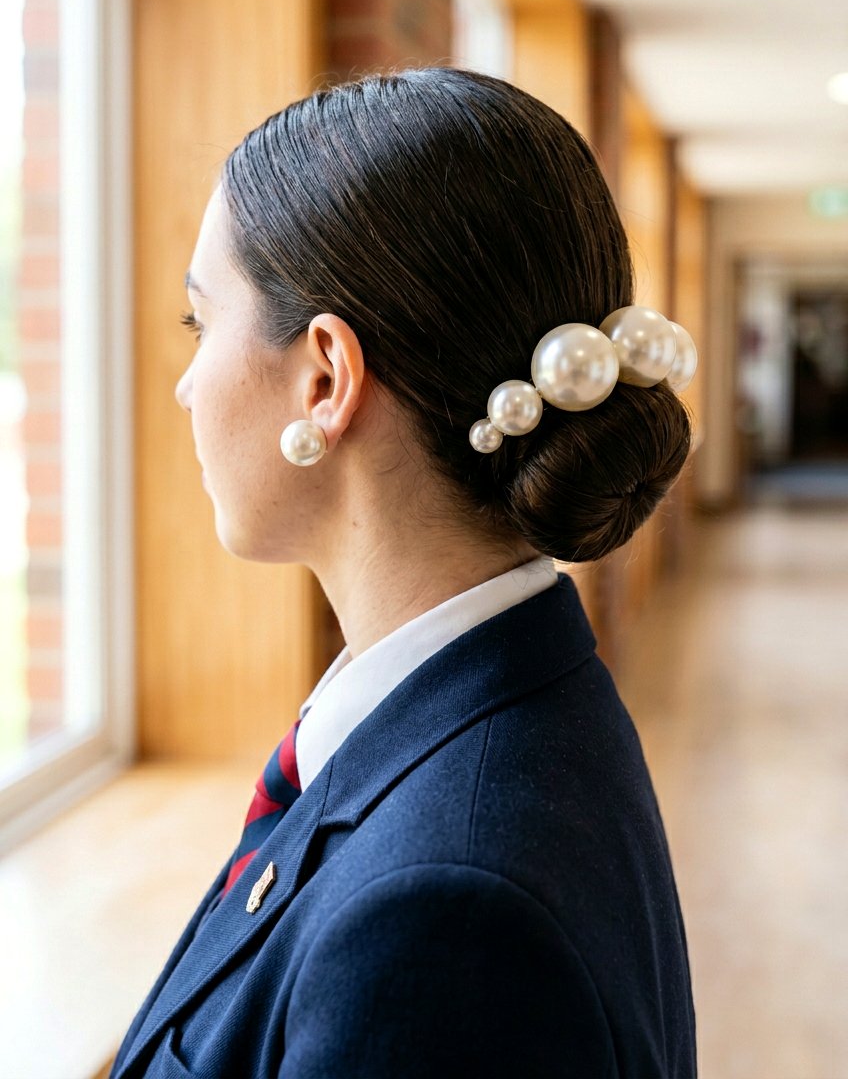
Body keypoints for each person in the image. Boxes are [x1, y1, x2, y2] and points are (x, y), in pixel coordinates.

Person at [110, 66, 698, 1077]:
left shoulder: (440, 919)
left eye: (200, 323)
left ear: (325, 378)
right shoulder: (505, 708)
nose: (186, 385)